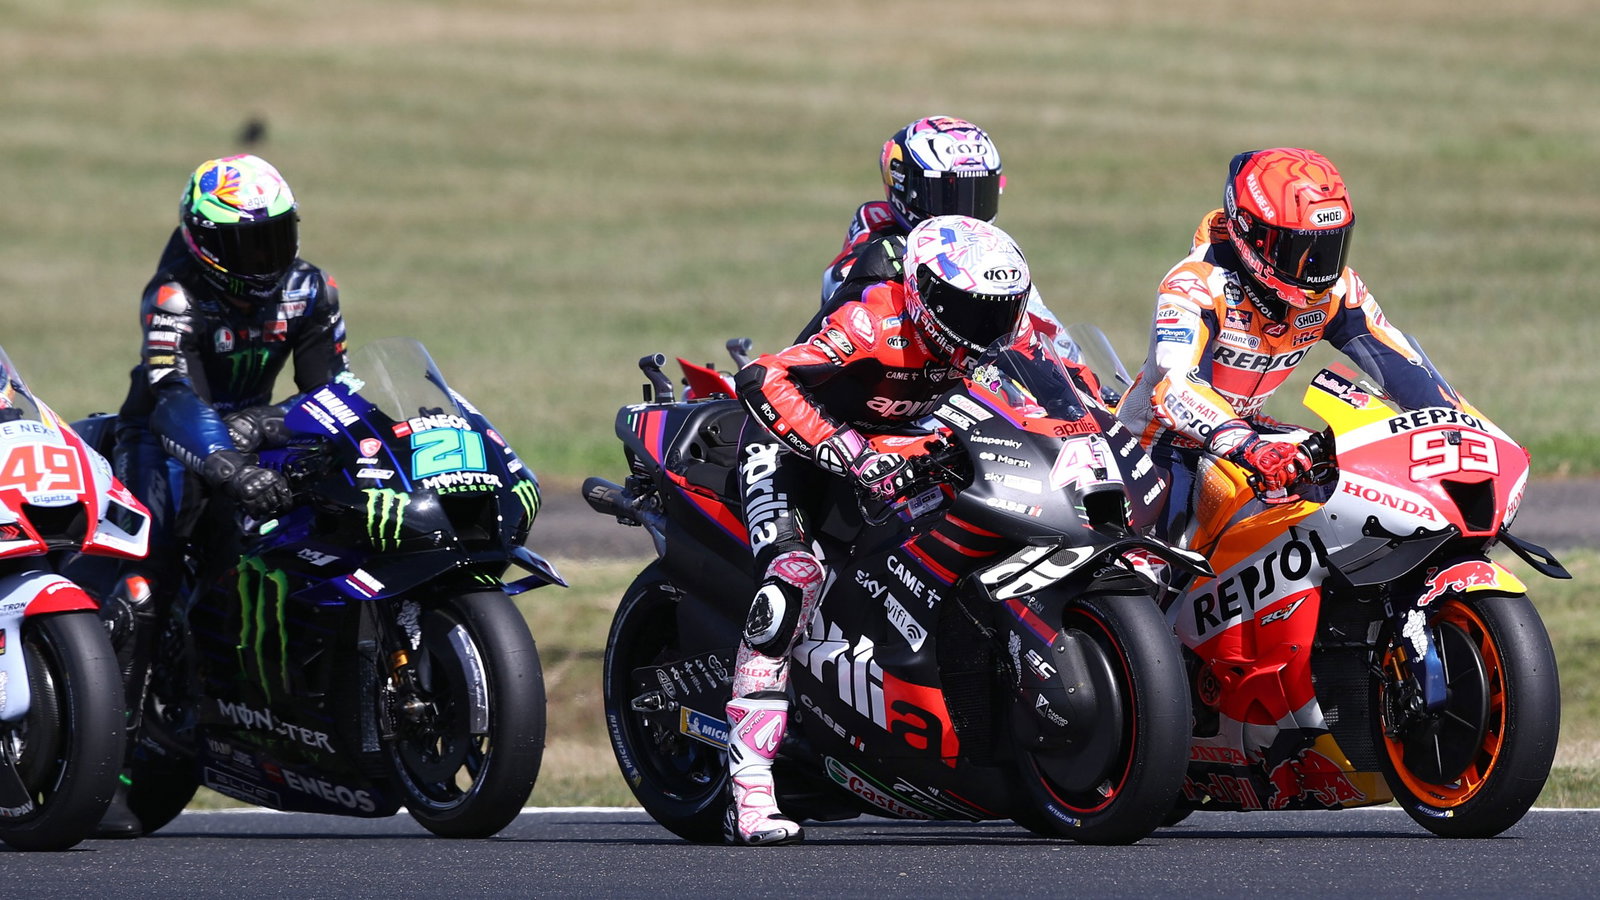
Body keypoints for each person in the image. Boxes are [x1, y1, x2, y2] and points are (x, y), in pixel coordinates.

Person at [725, 214, 1040, 845]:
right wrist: (847, 450)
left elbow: (1062, 387)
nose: (989, 328)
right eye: (971, 311)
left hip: (905, 453)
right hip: (797, 455)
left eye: (1001, 311)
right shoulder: (874, 320)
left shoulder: (1009, 332)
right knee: (792, 583)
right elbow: (764, 378)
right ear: (924, 293)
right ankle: (751, 789)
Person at [96, 153, 349, 836]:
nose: (263, 256)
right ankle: (106, 771)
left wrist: (280, 434)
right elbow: (172, 394)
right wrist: (229, 468)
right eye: (244, 243)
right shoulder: (173, 297)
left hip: (254, 431)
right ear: (203, 243)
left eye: (275, 236)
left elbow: (332, 392)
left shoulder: (312, 291)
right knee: (146, 579)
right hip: (165, 438)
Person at [1116, 147, 1461, 546]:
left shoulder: (1338, 289)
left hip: (1247, 436)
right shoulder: (1195, 284)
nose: (1318, 269)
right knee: (1159, 560)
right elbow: (1175, 386)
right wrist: (1244, 445)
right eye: (1301, 251)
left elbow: (1402, 362)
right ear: (1252, 235)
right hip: (1160, 442)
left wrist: (1464, 427)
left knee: (1350, 487)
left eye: (1330, 248)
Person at [801, 116, 1081, 362]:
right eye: (949, 196)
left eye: (976, 194)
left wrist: (1073, 375)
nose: (966, 215)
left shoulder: (992, 253)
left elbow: (1037, 322)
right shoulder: (875, 248)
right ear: (905, 187)